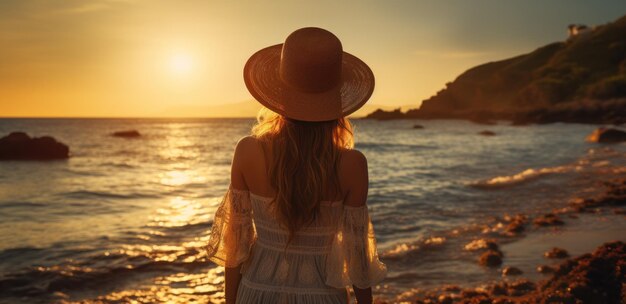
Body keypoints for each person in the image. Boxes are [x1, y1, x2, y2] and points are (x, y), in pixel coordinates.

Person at [206, 27, 387, 304]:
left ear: (280, 91)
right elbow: (357, 255)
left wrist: (231, 302)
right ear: (337, 96)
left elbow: (235, 247)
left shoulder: (248, 151)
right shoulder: (352, 164)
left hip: (256, 292)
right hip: (323, 296)